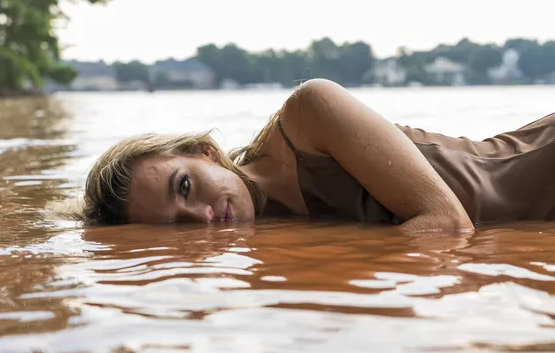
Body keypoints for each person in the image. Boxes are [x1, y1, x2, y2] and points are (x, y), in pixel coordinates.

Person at [73, 78, 555, 234]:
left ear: (207, 153)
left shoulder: (310, 113)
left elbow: (447, 225)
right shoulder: (272, 231)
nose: (201, 217)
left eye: (184, 185)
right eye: (178, 224)